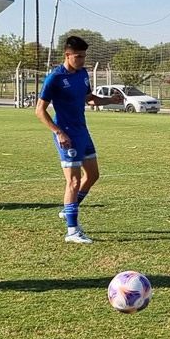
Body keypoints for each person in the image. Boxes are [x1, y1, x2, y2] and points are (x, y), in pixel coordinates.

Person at [35, 35, 122, 243]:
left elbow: (88, 99)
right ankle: (72, 231)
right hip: (67, 135)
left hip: (83, 132)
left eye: (84, 56)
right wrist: (59, 132)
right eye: (78, 56)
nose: (82, 60)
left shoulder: (82, 74)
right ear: (67, 55)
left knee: (92, 175)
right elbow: (39, 110)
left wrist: (110, 100)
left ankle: (69, 210)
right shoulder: (54, 78)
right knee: (73, 181)